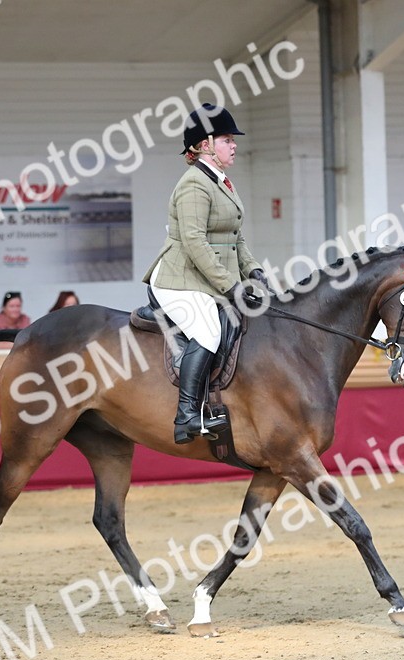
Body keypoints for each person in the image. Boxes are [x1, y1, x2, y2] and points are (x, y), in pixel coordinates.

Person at [142, 103, 266, 445]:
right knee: (209, 333)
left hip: (206, 278)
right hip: (178, 280)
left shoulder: (222, 182)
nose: (234, 145)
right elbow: (195, 243)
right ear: (205, 145)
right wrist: (231, 286)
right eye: (227, 139)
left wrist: (254, 269)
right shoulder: (194, 185)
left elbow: (235, 237)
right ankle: (186, 415)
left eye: (232, 140)